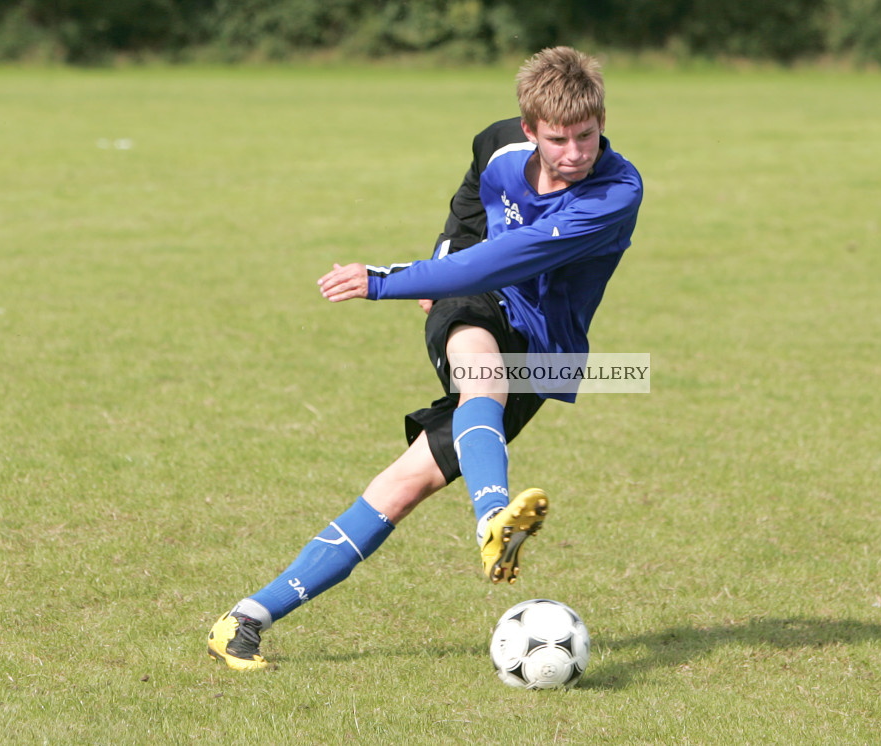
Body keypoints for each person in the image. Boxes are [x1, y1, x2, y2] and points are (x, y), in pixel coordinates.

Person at [208, 46, 643, 671]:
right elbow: (472, 207)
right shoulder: (499, 145)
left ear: (602, 120)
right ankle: (494, 518)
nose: (576, 153)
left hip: (547, 355)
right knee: (482, 379)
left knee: (404, 485)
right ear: (529, 130)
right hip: (474, 300)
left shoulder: (614, 192)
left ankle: (245, 619)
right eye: (559, 139)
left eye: (588, 135)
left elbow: (506, 256)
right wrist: (434, 264)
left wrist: (400, 278)